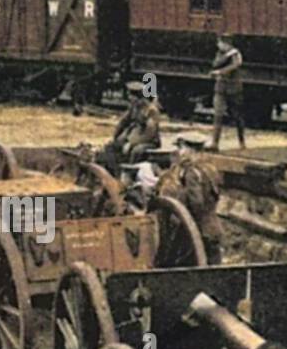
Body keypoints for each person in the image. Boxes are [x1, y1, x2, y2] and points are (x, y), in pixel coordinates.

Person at [156, 133, 223, 261]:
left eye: (181, 148)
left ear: (190, 150)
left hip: (198, 231)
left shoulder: (192, 172)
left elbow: (196, 203)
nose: (179, 153)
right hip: (213, 228)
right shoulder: (210, 168)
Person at [104, 80, 161, 171]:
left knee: (136, 151)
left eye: (131, 96)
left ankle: (130, 172)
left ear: (138, 98)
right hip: (133, 136)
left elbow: (149, 133)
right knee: (110, 147)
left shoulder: (151, 111)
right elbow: (123, 122)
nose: (129, 98)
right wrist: (116, 136)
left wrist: (131, 143)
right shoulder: (134, 107)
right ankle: (115, 170)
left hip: (149, 141)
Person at [211, 36, 246, 151]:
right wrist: (226, 56)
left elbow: (236, 64)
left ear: (226, 43)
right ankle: (214, 143)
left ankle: (241, 141)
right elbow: (215, 63)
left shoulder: (236, 54)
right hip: (221, 88)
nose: (218, 45)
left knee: (237, 116)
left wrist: (221, 71)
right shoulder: (221, 54)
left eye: (220, 43)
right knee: (218, 115)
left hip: (233, 89)